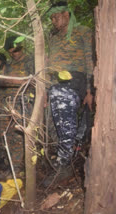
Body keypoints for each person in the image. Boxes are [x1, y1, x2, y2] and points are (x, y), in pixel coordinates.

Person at [47, 1, 94, 167]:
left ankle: (64, 161)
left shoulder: (83, 32)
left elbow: (90, 61)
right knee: (54, 121)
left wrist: (90, 90)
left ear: (66, 14)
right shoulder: (53, 38)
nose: (53, 21)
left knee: (62, 102)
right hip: (56, 84)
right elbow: (50, 66)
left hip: (76, 80)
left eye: (56, 17)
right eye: (51, 18)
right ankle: (67, 153)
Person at [0, 36, 35, 174]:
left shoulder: (31, 61)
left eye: (16, 50)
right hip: (9, 103)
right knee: (8, 135)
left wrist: (16, 81)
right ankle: (11, 165)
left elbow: (36, 81)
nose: (14, 54)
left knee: (19, 136)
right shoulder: (9, 65)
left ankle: (18, 169)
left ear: (22, 47)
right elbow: (2, 85)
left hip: (24, 102)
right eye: (11, 52)